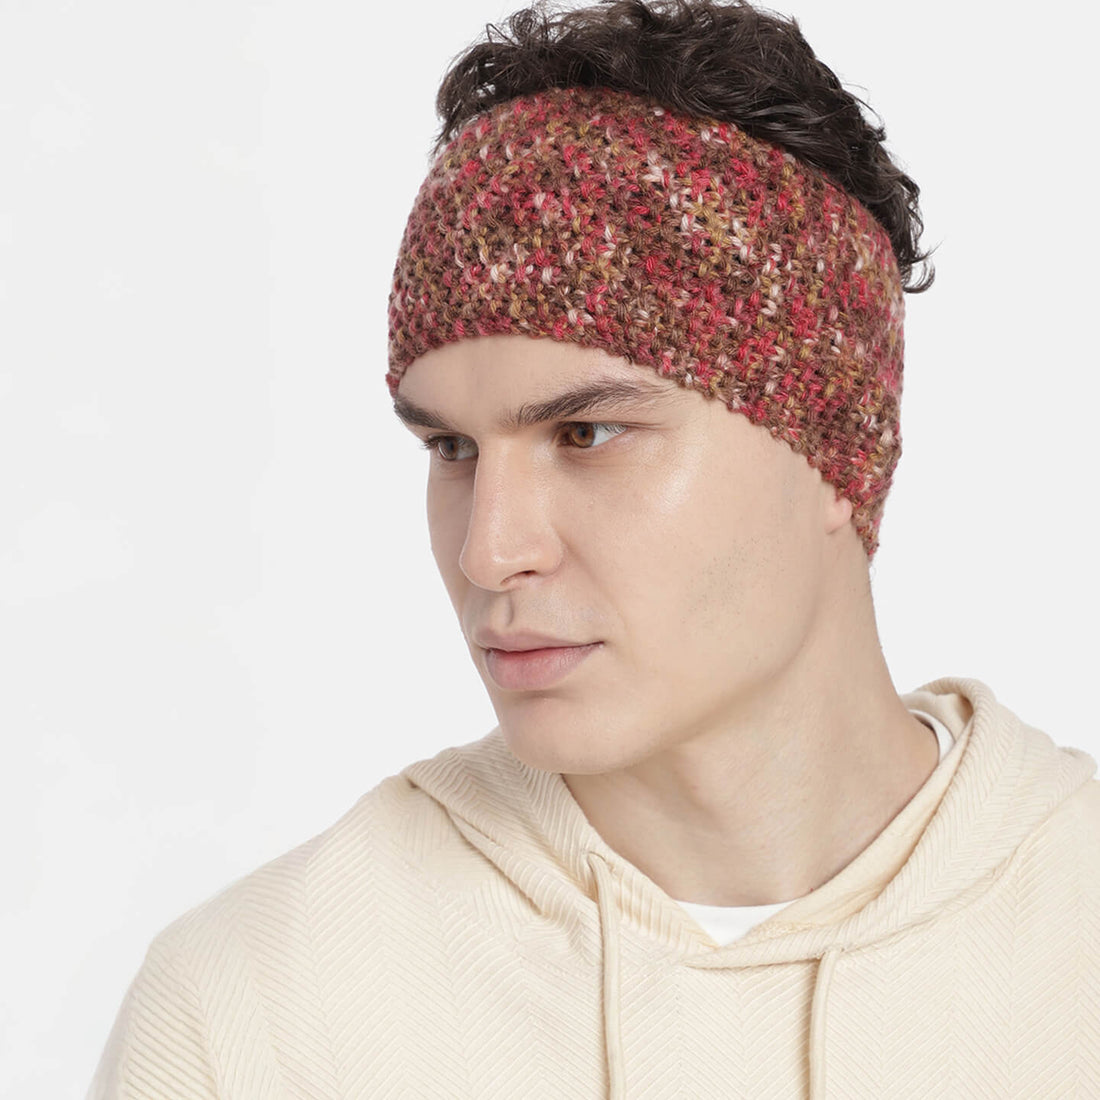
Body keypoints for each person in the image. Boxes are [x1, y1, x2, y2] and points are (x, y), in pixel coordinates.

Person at [88, 1, 1100, 1097]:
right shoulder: (255, 1010)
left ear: (831, 444)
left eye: (586, 434)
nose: (488, 554)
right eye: (451, 448)